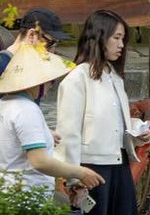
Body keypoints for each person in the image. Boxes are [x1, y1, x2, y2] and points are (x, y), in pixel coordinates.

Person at [53, 11, 137, 215]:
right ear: (99, 38)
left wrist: (135, 134)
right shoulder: (77, 79)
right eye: (116, 38)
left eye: (123, 38)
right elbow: (69, 132)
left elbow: (112, 124)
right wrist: (74, 176)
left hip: (119, 164)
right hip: (91, 166)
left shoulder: (114, 77)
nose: (121, 45)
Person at [1, 44, 103, 202]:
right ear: (37, 81)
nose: (50, 85)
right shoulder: (27, 110)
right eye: (50, 81)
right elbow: (39, 161)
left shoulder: (6, 103)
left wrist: (45, 134)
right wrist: (80, 172)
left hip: (8, 193)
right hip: (28, 198)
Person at [0, 8, 65, 78]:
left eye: (56, 44)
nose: (52, 51)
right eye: (50, 43)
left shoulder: (23, 64)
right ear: (31, 35)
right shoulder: (3, 65)